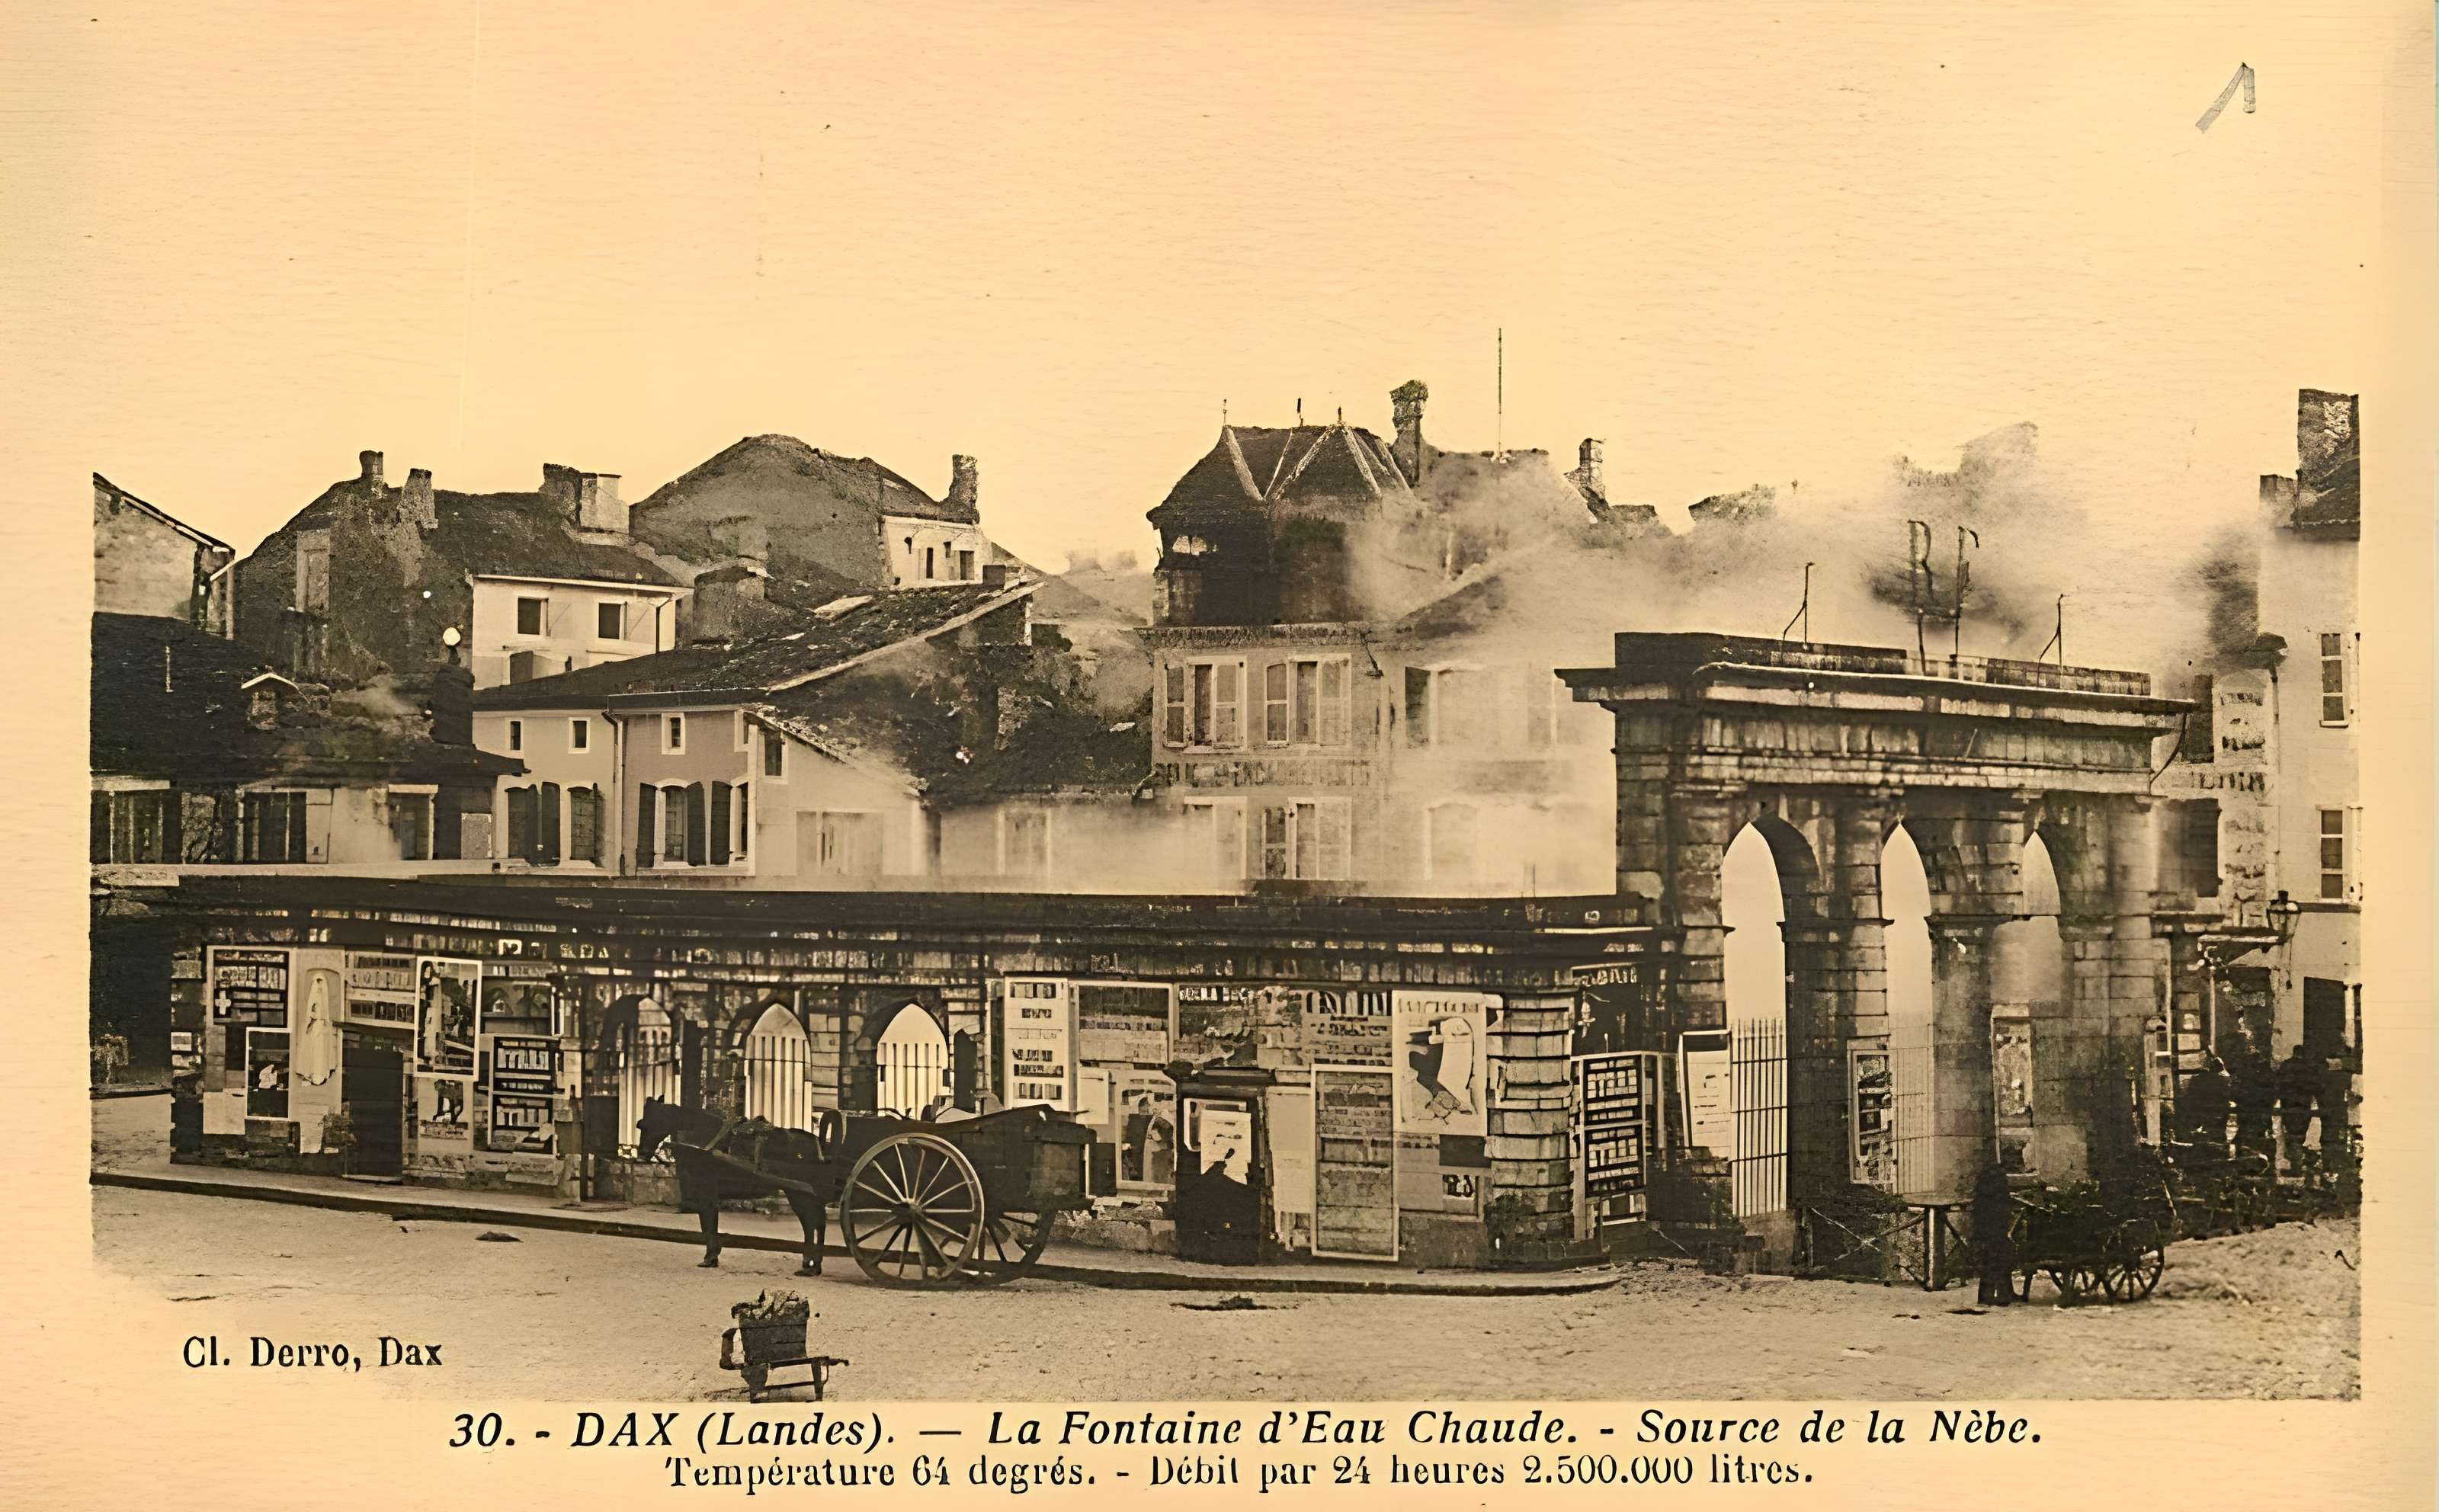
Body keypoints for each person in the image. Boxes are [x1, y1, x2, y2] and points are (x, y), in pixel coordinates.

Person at [1973, 1159, 2018, 1307]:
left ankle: (1997, 1295)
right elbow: (2001, 1210)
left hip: (1988, 1231)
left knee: (1994, 1260)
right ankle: (1998, 1296)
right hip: (1994, 1231)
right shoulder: (1997, 1192)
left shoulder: (1984, 1191)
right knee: (1997, 1260)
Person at [2229, 1043, 2277, 1163]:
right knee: (2258, 1133)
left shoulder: (2246, 1073)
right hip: (2261, 1107)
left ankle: (2244, 1157)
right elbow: (2272, 1091)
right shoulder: (2266, 1072)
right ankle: (2259, 1158)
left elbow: (2239, 1091)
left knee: (2246, 1131)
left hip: (2248, 1107)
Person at [2275, 1045, 2317, 1170]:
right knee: (2300, 1132)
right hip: (2303, 1104)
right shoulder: (2308, 1067)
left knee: (2290, 1131)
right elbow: (2313, 1085)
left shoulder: (2286, 1065)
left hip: (2288, 1103)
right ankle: (2297, 1161)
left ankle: (2294, 1161)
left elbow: (2279, 1083)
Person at [2180, 1056, 2232, 1156]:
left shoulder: (2197, 1079)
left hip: (2203, 1110)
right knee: (2218, 1132)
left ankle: (2206, 1150)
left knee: (2205, 1132)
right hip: (2217, 1111)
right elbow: (2227, 1095)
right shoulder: (2223, 1079)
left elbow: (2190, 1095)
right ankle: (2219, 1152)